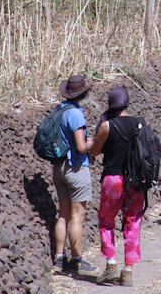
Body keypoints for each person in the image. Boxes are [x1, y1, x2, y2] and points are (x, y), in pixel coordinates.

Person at [89, 87, 145, 287]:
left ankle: (111, 264)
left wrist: (92, 142)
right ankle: (128, 270)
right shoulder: (140, 124)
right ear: (128, 103)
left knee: (106, 221)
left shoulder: (106, 126)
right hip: (136, 182)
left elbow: (95, 151)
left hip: (113, 180)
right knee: (132, 223)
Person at [52, 75, 99, 276]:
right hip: (75, 169)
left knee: (62, 215)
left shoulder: (60, 109)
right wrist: (93, 143)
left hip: (59, 168)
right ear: (84, 94)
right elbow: (81, 146)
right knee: (77, 217)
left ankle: (59, 259)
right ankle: (77, 261)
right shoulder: (76, 114)